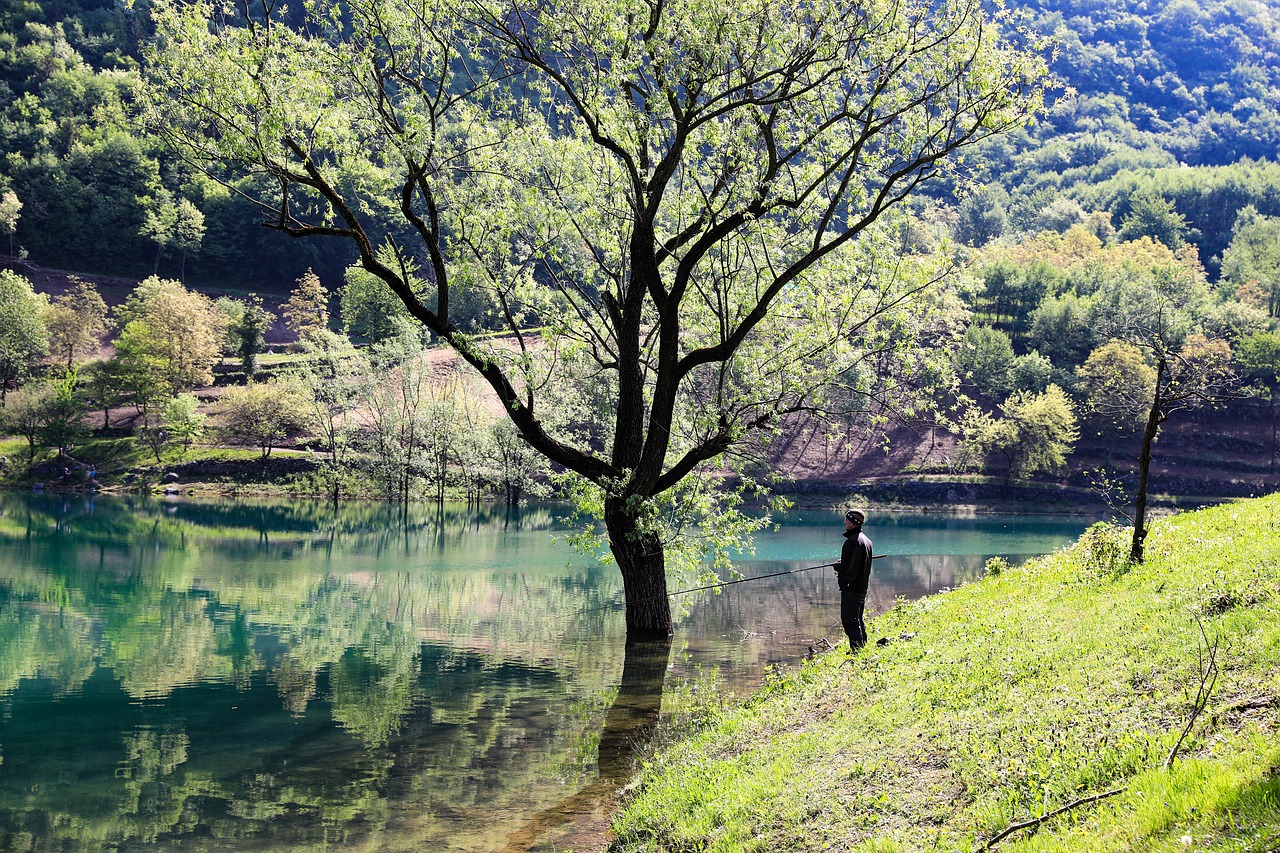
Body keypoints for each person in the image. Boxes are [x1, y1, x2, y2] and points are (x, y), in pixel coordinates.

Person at [834, 508, 873, 651]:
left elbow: (846, 567)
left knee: (850, 620)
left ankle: (857, 651)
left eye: (847, 520)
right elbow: (855, 563)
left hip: (851, 587)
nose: (845, 522)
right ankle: (862, 648)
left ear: (853, 523)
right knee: (858, 618)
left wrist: (837, 566)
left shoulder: (852, 542)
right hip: (861, 587)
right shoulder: (866, 541)